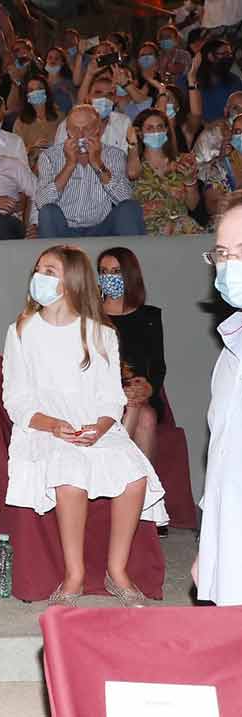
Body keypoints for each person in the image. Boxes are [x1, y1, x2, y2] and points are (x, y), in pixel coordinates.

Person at [2, 244, 167, 607]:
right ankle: (74, 574)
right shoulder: (21, 331)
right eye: (39, 270)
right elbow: (16, 398)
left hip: (98, 428)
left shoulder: (100, 333)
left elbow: (112, 398)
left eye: (50, 272)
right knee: (70, 476)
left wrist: (101, 427)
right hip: (44, 427)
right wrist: (53, 425)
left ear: (72, 281)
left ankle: (117, 570)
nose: (39, 278)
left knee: (134, 476)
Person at [194, 205, 242, 605]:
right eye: (222, 254)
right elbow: (223, 457)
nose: (229, 265)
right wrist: (209, 546)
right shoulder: (229, 356)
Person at [96, 247, 164, 473]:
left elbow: (157, 366)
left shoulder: (150, 317)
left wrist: (148, 387)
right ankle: (135, 490)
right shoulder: (91, 316)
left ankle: (144, 495)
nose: (109, 278)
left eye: (115, 271)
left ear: (129, 275)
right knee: (141, 415)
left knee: (145, 414)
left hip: (139, 394)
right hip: (102, 393)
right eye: (103, 272)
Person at [37, 104, 145, 239]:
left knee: (130, 208)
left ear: (97, 129)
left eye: (86, 129)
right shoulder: (49, 156)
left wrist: (97, 163)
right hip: (64, 228)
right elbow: (42, 202)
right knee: (48, 212)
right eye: (75, 129)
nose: (80, 135)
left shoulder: (114, 155)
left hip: (102, 228)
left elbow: (124, 198)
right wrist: (69, 165)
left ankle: (133, 258)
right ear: (67, 130)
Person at [126, 108, 202, 235]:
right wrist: (132, 145)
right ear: (140, 133)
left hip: (183, 228)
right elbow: (132, 174)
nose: (156, 132)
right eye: (150, 128)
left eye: (160, 127)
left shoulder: (182, 162)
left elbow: (192, 205)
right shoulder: (134, 163)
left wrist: (190, 181)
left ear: (166, 130)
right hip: (148, 230)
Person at [14, 75, 63, 168]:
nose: (36, 92)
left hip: (58, 165)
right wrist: (32, 147)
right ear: (27, 96)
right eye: (31, 90)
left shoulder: (60, 117)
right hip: (32, 168)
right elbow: (16, 153)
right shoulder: (20, 122)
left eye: (39, 88)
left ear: (46, 92)